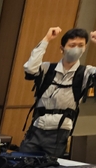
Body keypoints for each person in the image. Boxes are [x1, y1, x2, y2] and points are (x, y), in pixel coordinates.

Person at [20, 27, 96, 158]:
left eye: (80, 46)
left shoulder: (85, 73)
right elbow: (30, 68)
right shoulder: (48, 68)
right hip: (37, 126)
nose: (76, 49)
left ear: (84, 48)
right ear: (62, 48)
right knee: (21, 162)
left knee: (49, 167)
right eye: (72, 45)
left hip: (60, 132)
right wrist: (46, 39)